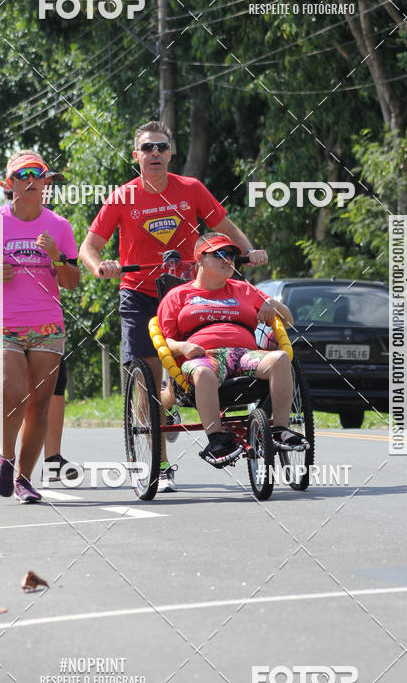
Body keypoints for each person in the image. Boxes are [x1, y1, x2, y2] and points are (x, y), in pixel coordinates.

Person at [79, 120, 267, 490]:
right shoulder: (122, 197)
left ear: (171, 153)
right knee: (146, 375)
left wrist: (248, 251)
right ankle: (160, 465)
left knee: (191, 366)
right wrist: (99, 266)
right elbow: (90, 246)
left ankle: (171, 404)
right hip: (139, 294)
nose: (155, 154)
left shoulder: (191, 189)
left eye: (161, 147)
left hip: (186, 294)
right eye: (147, 148)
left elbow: (224, 226)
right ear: (135, 156)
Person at [0, 150, 80, 502]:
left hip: (48, 326)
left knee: (39, 405)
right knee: (11, 392)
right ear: (9, 184)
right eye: (24, 175)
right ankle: (5, 458)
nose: (33, 181)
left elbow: (71, 280)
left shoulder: (59, 226)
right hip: (1, 323)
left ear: (46, 183)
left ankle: (24, 479)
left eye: (39, 175)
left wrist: (56, 256)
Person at [157, 232, 301, 465]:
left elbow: (289, 320)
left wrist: (272, 304)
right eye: (220, 254)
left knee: (281, 358)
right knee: (203, 372)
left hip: (244, 355)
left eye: (232, 255)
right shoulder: (178, 296)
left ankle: (281, 431)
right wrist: (184, 346)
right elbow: (166, 342)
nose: (229, 260)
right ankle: (217, 440)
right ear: (200, 259)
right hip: (204, 357)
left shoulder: (244, 289)